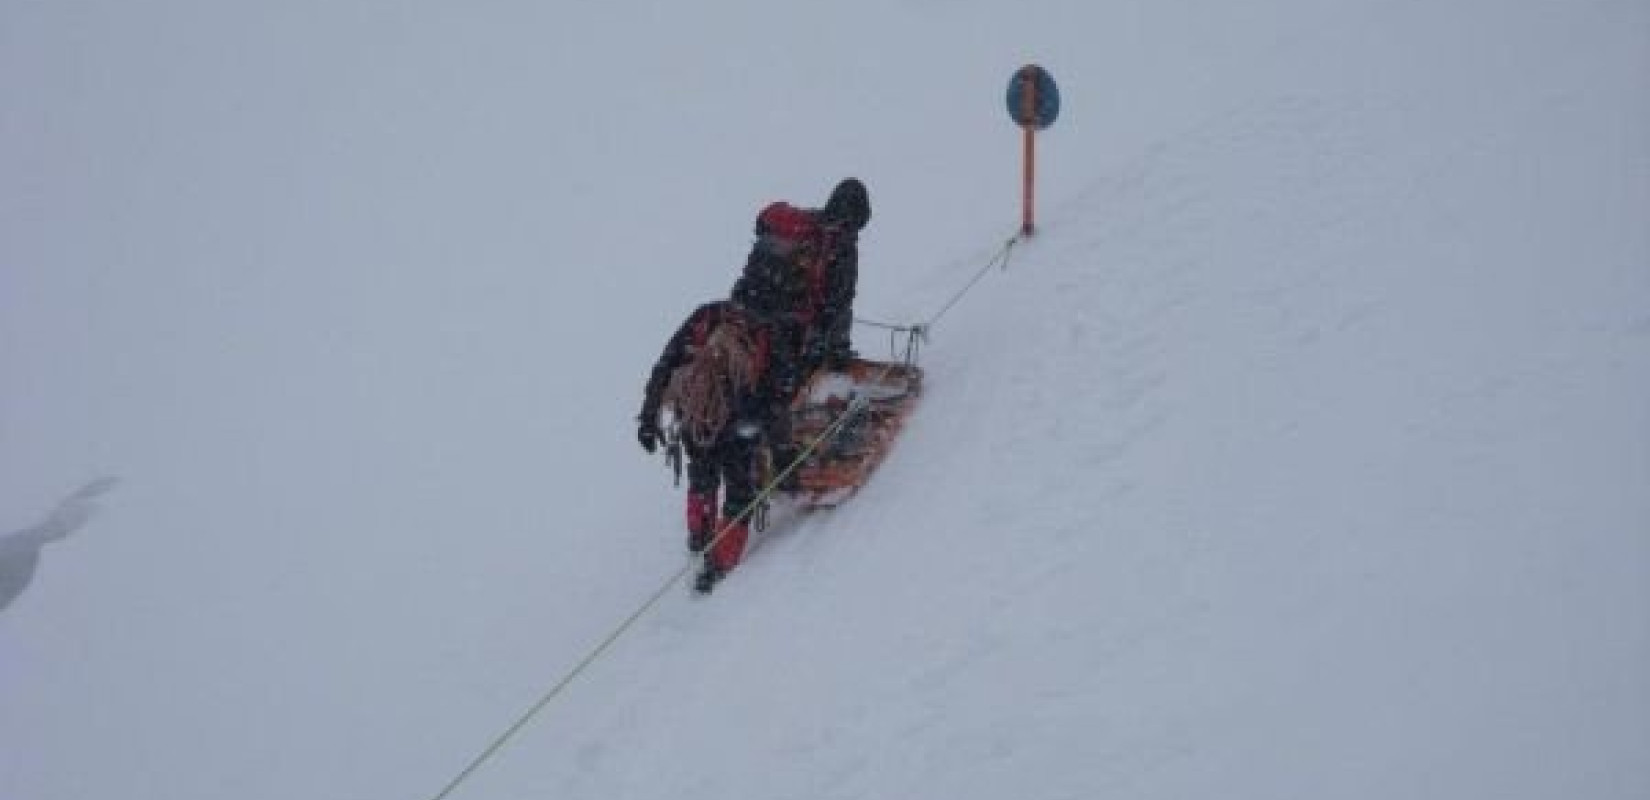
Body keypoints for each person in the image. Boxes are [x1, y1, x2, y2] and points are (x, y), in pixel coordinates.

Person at [637, 299, 793, 592]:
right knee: (739, 489)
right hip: (739, 421)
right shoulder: (767, 334)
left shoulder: (705, 317)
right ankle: (720, 562)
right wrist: (783, 454)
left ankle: (700, 535)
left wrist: (648, 417)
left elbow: (666, 364)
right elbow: (778, 398)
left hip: (696, 415)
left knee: (702, 473)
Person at [730, 178, 871, 380]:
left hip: (744, 306)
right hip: (786, 326)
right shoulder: (840, 245)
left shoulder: (802, 225)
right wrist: (838, 353)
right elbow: (838, 306)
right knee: (791, 374)